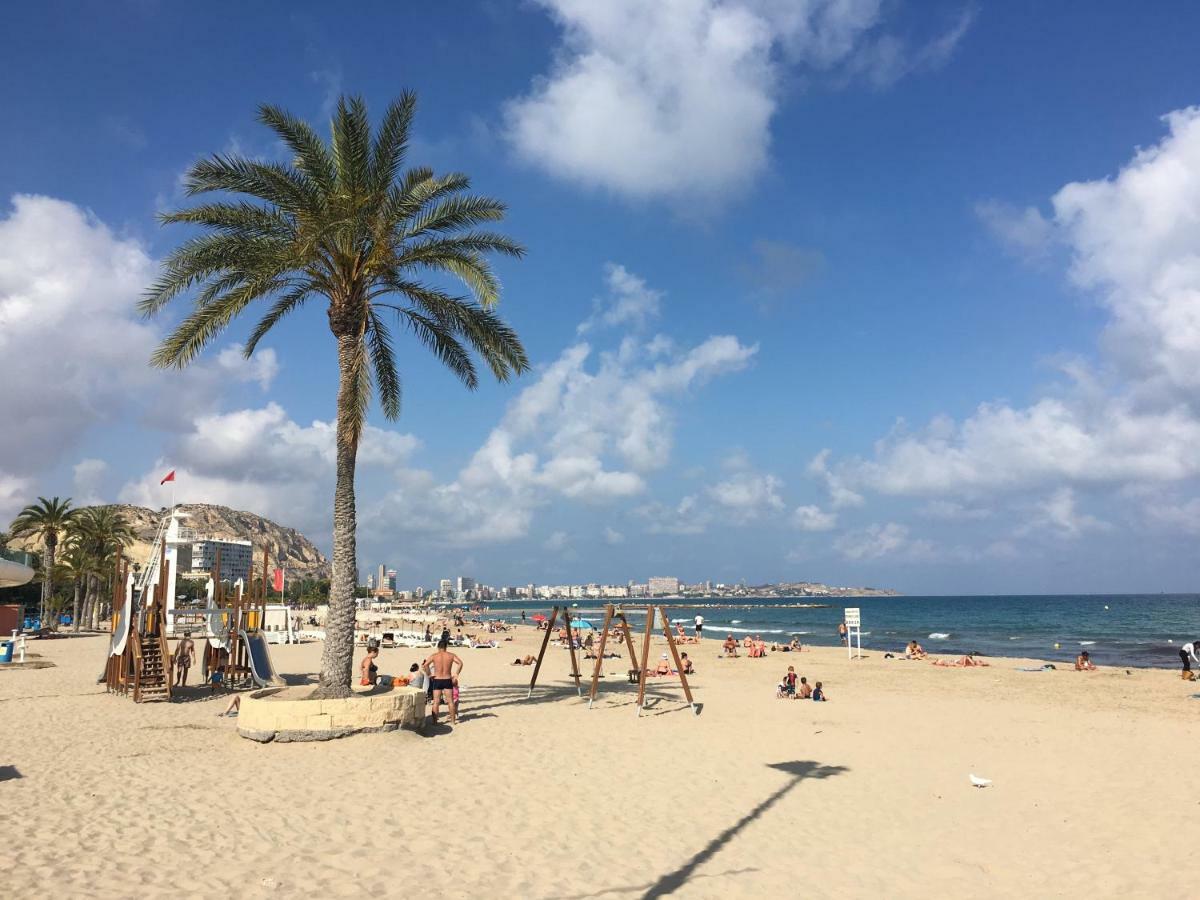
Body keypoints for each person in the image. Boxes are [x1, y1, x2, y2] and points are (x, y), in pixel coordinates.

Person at [424, 639, 464, 725]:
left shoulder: (434, 656)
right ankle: (453, 722)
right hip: (447, 679)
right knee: (450, 701)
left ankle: (435, 723)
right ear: (446, 647)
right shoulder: (451, 655)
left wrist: (429, 675)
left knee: (436, 702)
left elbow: (425, 665)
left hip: (437, 679)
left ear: (438, 647)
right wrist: (456, 674)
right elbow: (460, 663)